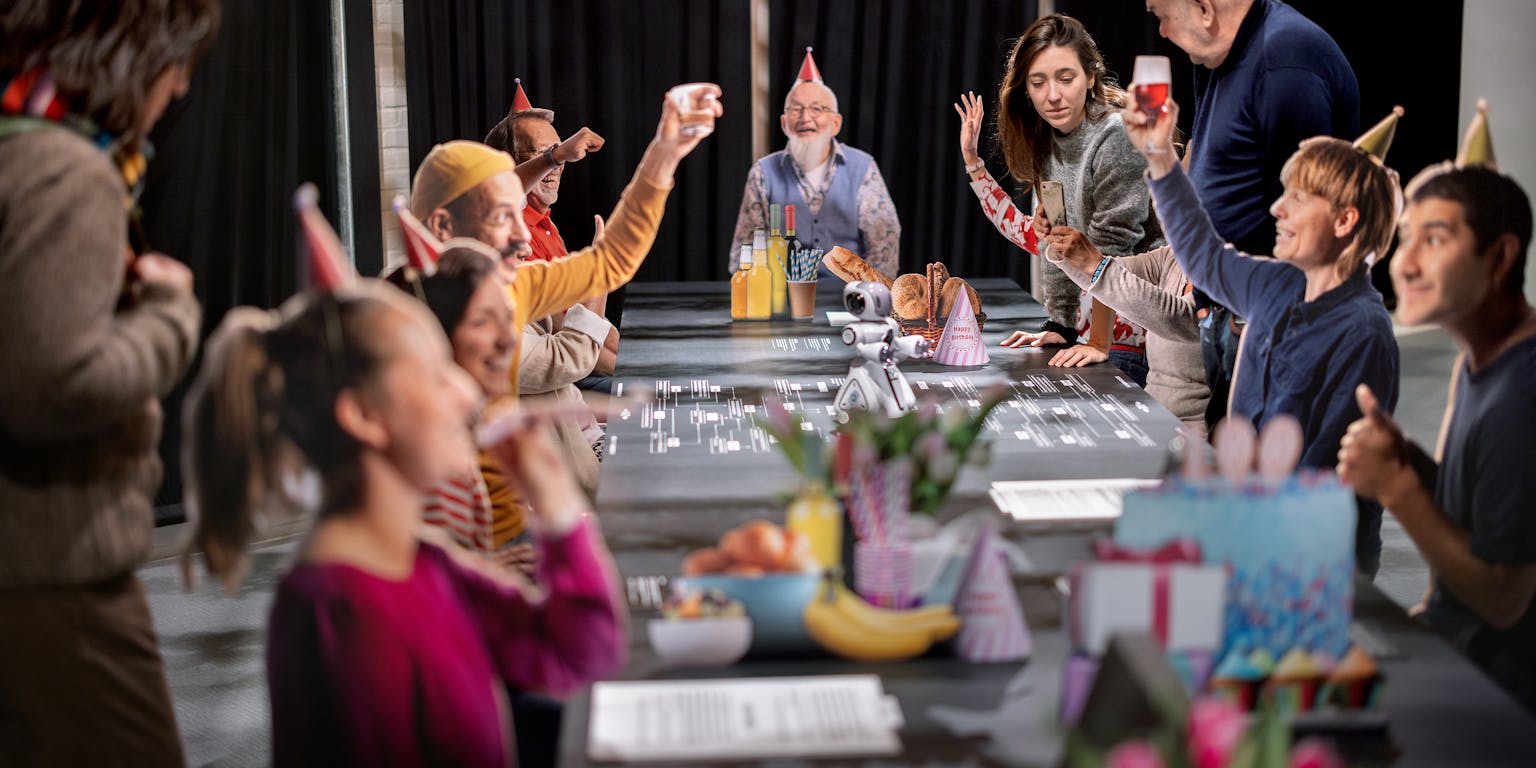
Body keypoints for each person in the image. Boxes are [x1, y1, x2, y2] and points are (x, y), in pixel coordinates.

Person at [182, 280, 625, 765]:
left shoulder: (424, 560)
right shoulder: (342, 616)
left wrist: (557, 506)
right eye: (436, 374)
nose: (463, 390)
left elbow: (582, 657)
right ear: (364, 415)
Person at [0, 2, 217, 764]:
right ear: (133, 57)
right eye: (176, 61)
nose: (182, 86)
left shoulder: (18, 148)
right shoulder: (67, 174)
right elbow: (53, 386)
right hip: (58, 580)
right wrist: (171, 317)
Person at [410, 86, 718, 553]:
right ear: (442, 229)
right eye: (500, 217)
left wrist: (665, 150)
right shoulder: (407, 324)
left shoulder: (512, 282)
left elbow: (609, 261)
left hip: (559, 503)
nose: (520, 237)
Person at [1125, 98, 1401, 575]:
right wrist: (1160, 160)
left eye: (1297, 198)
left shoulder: (1365, 333)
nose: (1277, 208)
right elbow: (1203, 254)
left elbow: (1323, 472)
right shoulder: (1273, 282)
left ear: (1344, 221)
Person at [1338, 108, 1536, 709]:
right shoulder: (1480, 358)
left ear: (1500, 259)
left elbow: (1504, 597)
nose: (1406, 262)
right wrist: (1416, 465)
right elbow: (1476, 514)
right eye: (1406, 238)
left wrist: (1397, 487)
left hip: (1496, 691)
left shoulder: (1521, 394)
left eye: (1437, 239)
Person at [1144, 0, 1360, 428]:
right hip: (1231, 308)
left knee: (1266, 470)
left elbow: (1308, 218)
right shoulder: (1214, 55)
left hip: (1271, 322)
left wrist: (1251, 318)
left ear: (1205, 9)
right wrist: (1209, 302)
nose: (1163, 32)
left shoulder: (1287, 59)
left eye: (1162, 15)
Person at [955, 14, 1160, 385]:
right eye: (1038, 82)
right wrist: (1061, 324)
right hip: (1094, 328)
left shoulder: (1115, 135)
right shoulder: (1047, 137)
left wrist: (1099, 341)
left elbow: (1114, 249)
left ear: (1091, 77)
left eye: (1066, 79)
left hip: (1141, 329)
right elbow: (1052, 241)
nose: (1052, 95)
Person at [483, 78, 619, 394]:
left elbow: (585, 316)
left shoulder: (547, 223)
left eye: (560, 152)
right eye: (545, 154)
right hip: (562, 373)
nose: (560, 164)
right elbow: (570, 336)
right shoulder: (504, 235)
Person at [728, 48, 900, 280]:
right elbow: (745, 248)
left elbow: (884, 244)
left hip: (850, 295)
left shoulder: (863, 167)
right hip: (782, 295)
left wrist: (872, 296)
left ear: (836, 123)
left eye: (817, 109)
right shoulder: (763, 172)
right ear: (784, 123)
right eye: (796, 109)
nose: (805, 118)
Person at [1032, 226, 1208, 436]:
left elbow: (1181, 318)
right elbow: (1107, 273)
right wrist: (1059, 245)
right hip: (1153, 414)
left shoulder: (1234, 262)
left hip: (1200, 432)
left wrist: (1095, 265)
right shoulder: (1175, 254)